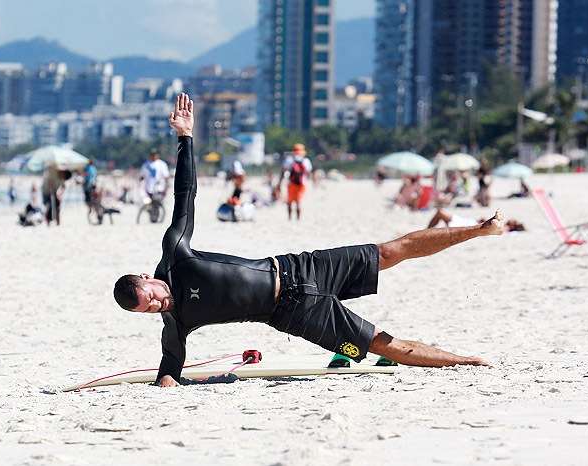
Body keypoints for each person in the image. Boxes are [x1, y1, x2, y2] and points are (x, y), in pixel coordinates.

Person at [113, 93, 502, 388]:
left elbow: (186, 195)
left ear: (147, 277)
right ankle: (465, 361)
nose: (160, 304)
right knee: (380, 345)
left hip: (300, 266)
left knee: (389, 251)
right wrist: (166, 381)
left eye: (153, 296)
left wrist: (185, 138)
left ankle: (480, 229)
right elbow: (170, 366)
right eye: (151, 310)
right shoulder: (176, 322)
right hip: (298, 316)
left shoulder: (176, 255)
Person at [278, 143, 313, 220]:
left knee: (290, 201)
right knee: (298, 201)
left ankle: (290, 218)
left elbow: (283, 171)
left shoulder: (289, 160)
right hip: (302, 183)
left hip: (291, 183)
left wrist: (280, 182)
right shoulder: (306, 160)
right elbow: (309, 173)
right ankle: (298, 218)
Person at [427, 208, 525, 231]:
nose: (512, 220)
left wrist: (484, 220)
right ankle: (427, 230)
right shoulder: (503, 224)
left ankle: (426, 230)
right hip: (468, 221)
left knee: (440, 213)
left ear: (513, 226)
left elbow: (494, 229)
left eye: (514, 222)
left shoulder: (505, 227)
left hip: (467, 224)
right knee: (440, 212)